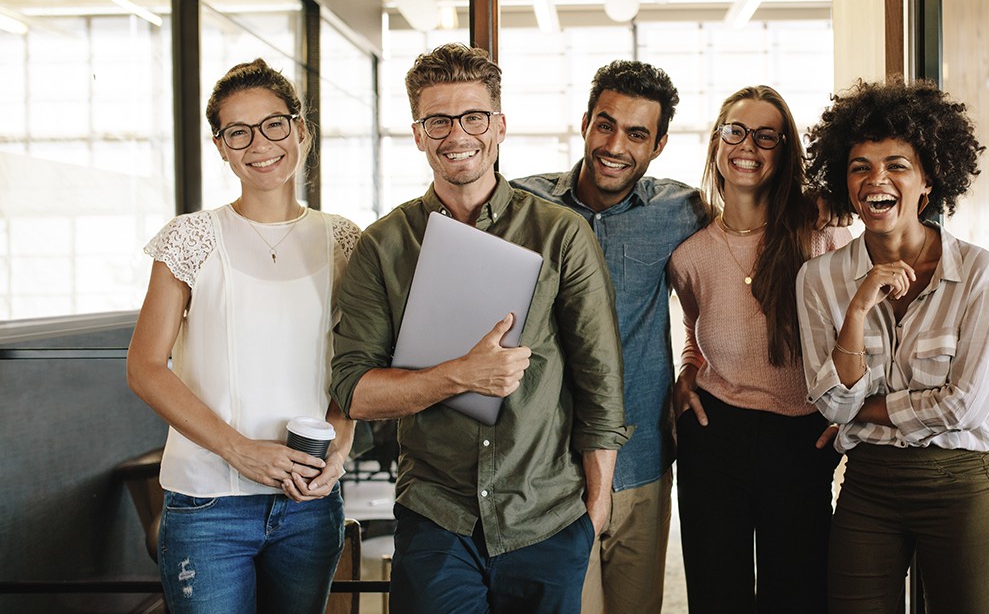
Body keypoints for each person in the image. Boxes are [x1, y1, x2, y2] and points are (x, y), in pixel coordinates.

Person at [329, 43, 630, 614]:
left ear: (499, 126)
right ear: (418, 134)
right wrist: (459, 376)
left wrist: (594, 513)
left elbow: (601, 384)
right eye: (438, 120)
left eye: (473, 117)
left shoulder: (561, 234)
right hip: (437, 517)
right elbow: (354, 391)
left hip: (546, 515)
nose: (456, 134)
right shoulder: (384, 245)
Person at [126, 59, 359, 613]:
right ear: (221, 147)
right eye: (239, 132)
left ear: (301, 131)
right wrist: (239, 451)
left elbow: (358, 363)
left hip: (307, 504)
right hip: (208, 503)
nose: (260, 144)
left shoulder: (343, 240)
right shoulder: (190, 237)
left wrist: (339, 446)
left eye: (274, 124)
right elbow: (145, 367)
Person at [797, 78, 989, 614]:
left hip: (960, 485)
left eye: (897, 165)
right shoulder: (818, 279)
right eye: (860, 167)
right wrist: (857, 308)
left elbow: (965, 406)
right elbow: (830, 406)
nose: (877, 180)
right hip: (867, 487)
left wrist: (863, 408)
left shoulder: (977, 271)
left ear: (928, 180)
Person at [513, 60, 707, 614]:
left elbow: (743, 251)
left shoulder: (682, 211)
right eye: (605, 125)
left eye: (637, 134)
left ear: (659, 145)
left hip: (641, 458)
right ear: (585, 124)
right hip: (548, 468)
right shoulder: (524, 207)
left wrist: (696, 361)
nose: (615, 146)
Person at [667, 85, 850, 613]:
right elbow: (695, 328)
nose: (748, 145)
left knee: (798, 595)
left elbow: (859, 332)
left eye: (767, 136)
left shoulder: (821, 235)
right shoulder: (689, 256)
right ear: (717, 143)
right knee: (716, 595)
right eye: (736, 131)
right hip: (714, 434)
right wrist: (687, 371)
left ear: (784, 151)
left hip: (801, 436)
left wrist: (851, 410)